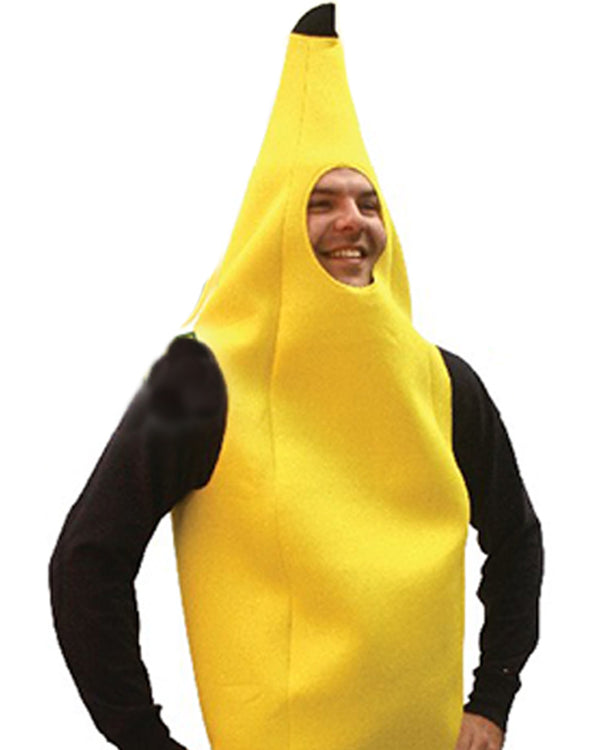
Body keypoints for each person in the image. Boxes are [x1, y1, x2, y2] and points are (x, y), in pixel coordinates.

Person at [49, 5, 543, 750]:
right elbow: (88, 560)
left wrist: (493, 699)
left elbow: (517, 539)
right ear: (273, 223)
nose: (352, 221)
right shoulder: (204, 377)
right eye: (320, 203)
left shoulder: (443, 382)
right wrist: (144, 739)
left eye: (368, 202)